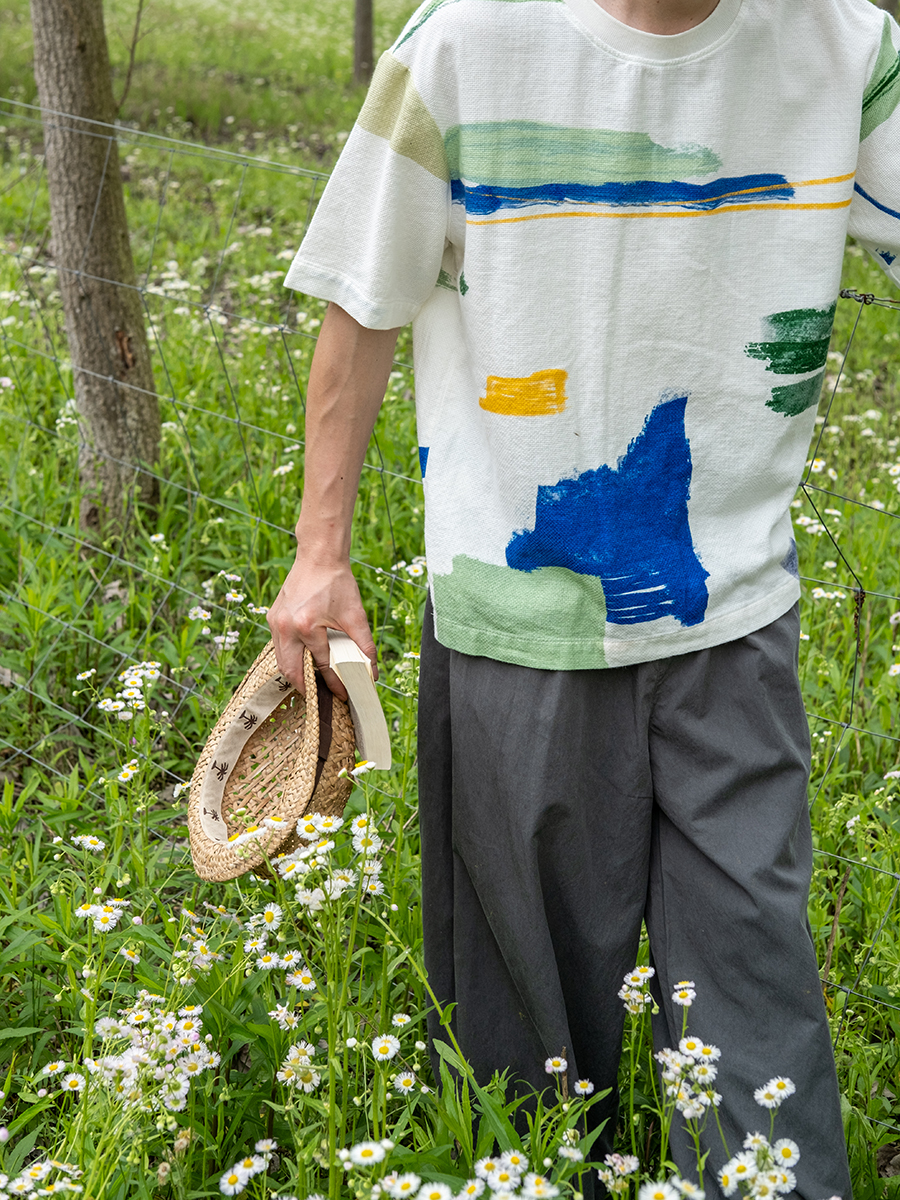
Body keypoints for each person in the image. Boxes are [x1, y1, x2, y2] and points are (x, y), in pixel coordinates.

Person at [269, 0, 900, 1193]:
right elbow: (363, 298)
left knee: (757, 996)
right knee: (529, 1044)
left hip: (735, 619)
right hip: (516, 626)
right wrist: (319, 553)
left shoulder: (847, 47)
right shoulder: (460, 43)